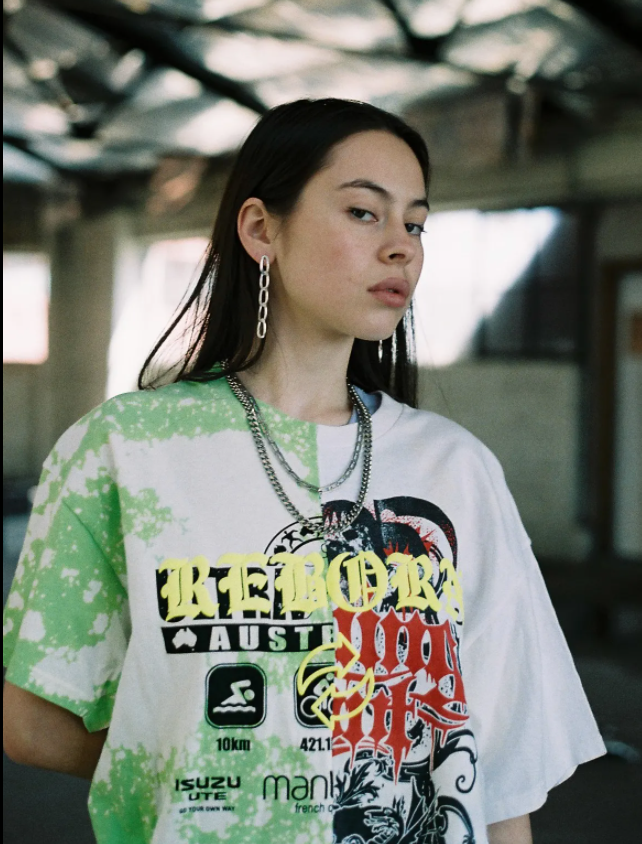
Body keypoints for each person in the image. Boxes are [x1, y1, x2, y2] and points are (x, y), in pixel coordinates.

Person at [4, 98, 604, 844]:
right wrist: (215, 766)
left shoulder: (458, 470)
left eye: (414, 224)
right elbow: (36, 722)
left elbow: (503, 766)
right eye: (364, 213)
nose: (402, 248)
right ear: (261, 229)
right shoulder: (126, 450)